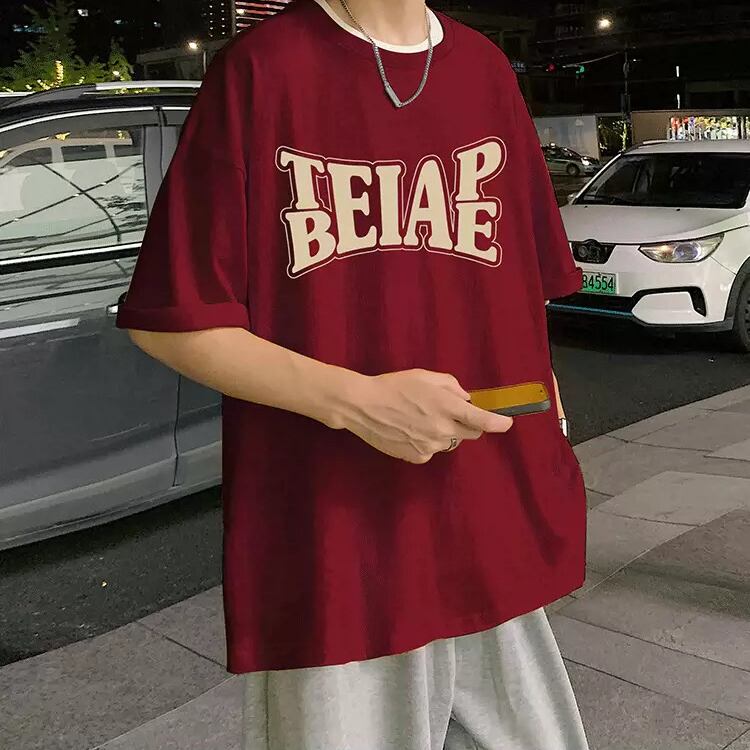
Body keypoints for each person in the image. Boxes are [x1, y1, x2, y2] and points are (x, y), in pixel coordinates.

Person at [115, 0, 591, 747]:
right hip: (337, 546)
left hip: (488, 523)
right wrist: (358, 402)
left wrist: (546, 430)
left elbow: (522, 283)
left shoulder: (484, 71)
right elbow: (171, 319)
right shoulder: (261, 71)